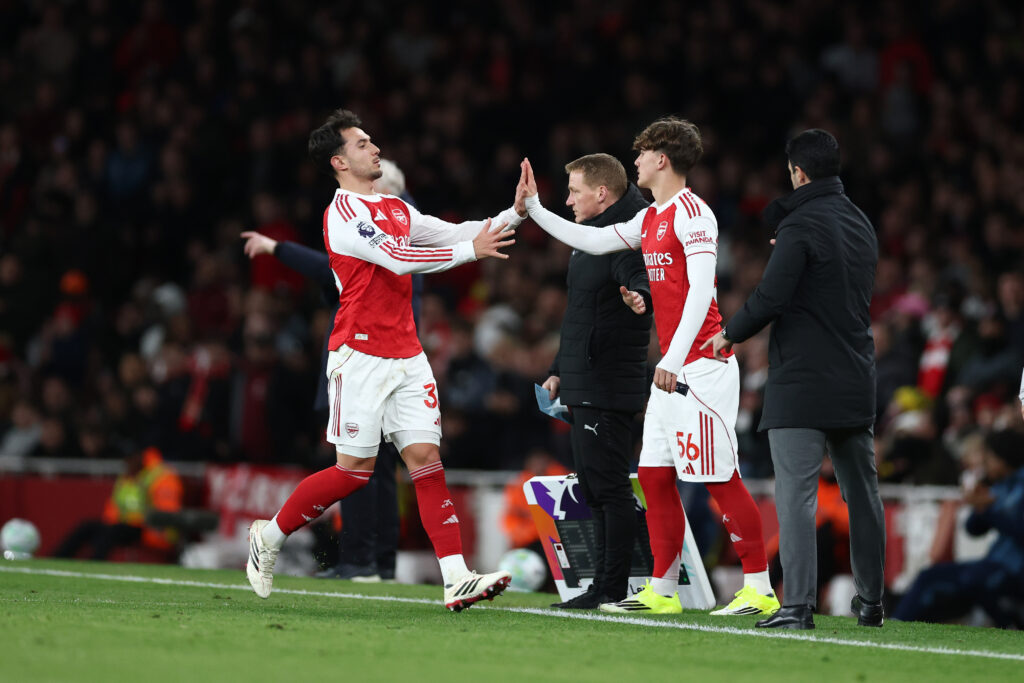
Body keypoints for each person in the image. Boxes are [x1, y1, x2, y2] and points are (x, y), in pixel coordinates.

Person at [245, 109, 521, 612]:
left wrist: (520, 211)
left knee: (427, 461)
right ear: (340, 161)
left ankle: (456, 577)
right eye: (363, 143)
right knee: (353, 471)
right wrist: (471, 253)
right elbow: (398, 258)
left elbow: (456, 231)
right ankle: (270, 535)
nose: (375, 149)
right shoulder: (344, 215)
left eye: (373, 141)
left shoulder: (395, 206)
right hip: (359, 355)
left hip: (407, 355)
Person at [519, 117, 777, 617]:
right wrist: (532, 209)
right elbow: (592, 240)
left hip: (700, 366)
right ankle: (661, 588)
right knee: (654, 475)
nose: (634, 161)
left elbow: (704, 289)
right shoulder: (652, 217)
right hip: (674, 370)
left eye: (641, 154)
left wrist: (675, 357)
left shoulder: (694, 214)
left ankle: (759, 588)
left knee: (720, 477)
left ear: (662, 158)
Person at [704, 129, 886, 630]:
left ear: (798, 173)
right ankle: (870, 602)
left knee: (796, 495)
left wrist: (728, 335)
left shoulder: (801, 225)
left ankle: (798, 605)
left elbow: (772, 295)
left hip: (803, 381)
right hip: (854, 375)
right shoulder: (860, 222)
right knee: (863, 494)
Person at [241, 159, 416, 583]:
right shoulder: (406, 232)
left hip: (367, 357)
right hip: (397, 357)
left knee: (355, 466)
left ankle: (356, 560)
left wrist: (275, 248)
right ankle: (380, 562)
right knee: (382, 468)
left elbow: (327, 269)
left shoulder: (383, 229)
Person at [537, 153, 653, 609]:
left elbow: (638, 276)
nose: (567, 201)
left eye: (574, 191)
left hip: (609, 383)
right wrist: (558, 369)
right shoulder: (590, 238)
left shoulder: (625, 238)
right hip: (586, 379)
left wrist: (640, 297)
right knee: (594, 487)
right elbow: (581, 314)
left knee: (609, 489)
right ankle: (603, 586)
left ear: (601, 193)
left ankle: (610, 588)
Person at [891, 430, 1024, 627]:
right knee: (933, 578)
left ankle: (1010, 624)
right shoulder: (1000, 486)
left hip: (1014, 569)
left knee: (964, 581)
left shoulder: (1020, 486)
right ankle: (902, 624)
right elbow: (974, 529)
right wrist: (979, 508)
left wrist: (988, 510)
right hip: (997, 565)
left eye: (989, 457)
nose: (985, 464)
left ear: (1003, 458)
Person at [55, 446, 183, 560]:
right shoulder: (127, 477)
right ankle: (55, 559)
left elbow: (165, 514)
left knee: (112, 531)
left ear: (139, 457)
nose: (127, 463)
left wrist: (131, 520)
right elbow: (113, 509)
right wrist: (109, 524)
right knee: (87, 526)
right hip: (124, 526)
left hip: (150, 530)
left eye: (129, 458)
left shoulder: (161, 476)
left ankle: (94, 563)